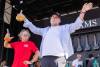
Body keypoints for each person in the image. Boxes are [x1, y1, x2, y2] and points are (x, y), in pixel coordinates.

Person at [19, 2, 93, 67]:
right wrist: (25, 19)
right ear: (50, 20)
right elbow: (34, 29)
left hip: (61, 58)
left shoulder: (65, 28)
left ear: (59, 20)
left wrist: (83, 11)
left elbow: (77, 24)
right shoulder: (45, 30)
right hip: (45, 58)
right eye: (52, 17)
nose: (53, 18)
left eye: (56, 17)